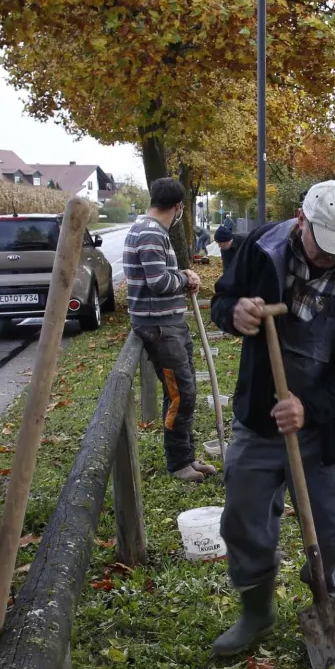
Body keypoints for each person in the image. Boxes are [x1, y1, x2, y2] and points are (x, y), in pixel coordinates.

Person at [206, 181, 335, 656]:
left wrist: (311, 408)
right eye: (324, 248)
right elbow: (223, 300)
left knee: (331, 534)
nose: (333, 259)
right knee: (243, 518)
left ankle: (329, 607)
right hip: (261, 419)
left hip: (330, 431)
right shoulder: (262, 248)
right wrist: (235, 313)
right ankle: (257, 613)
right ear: (302, 222)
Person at [125, 177, 215, 483]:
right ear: (178, 207)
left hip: (170, 324)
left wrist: (181, 273)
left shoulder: (151, 230)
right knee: (183, 395)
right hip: (160, 327)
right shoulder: (150, 233)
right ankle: (178, 463)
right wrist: (186, 278)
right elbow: (159, 282)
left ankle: (186, 455)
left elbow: (162, 275)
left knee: (180, 392)